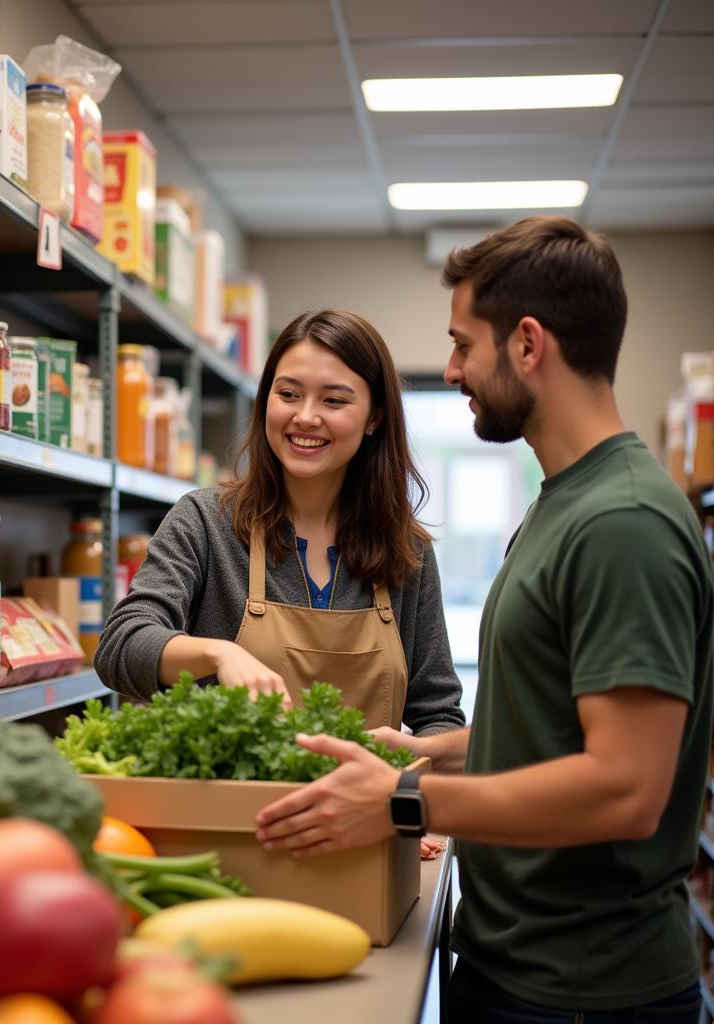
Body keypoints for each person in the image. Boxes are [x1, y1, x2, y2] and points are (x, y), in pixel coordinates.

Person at [254, 216, 714, 1022]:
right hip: (517, 965)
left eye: (465, 344)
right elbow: (560, 724)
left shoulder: (623, 523)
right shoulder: (560, 506)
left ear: (528, 344)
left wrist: (405, 800)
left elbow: (626, 789)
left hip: (584, 993)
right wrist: (433, 751)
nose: (456, 369)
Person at [95, 308, 466, 740]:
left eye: (334, 400)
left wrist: (407, 761)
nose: (305, 417)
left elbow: (438, 714)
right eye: (288, 394)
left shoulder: (407, 550)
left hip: (362, 804)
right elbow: (121, 644)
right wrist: (218, 654)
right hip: (226, 805)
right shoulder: (205, 522)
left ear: (374, 418)